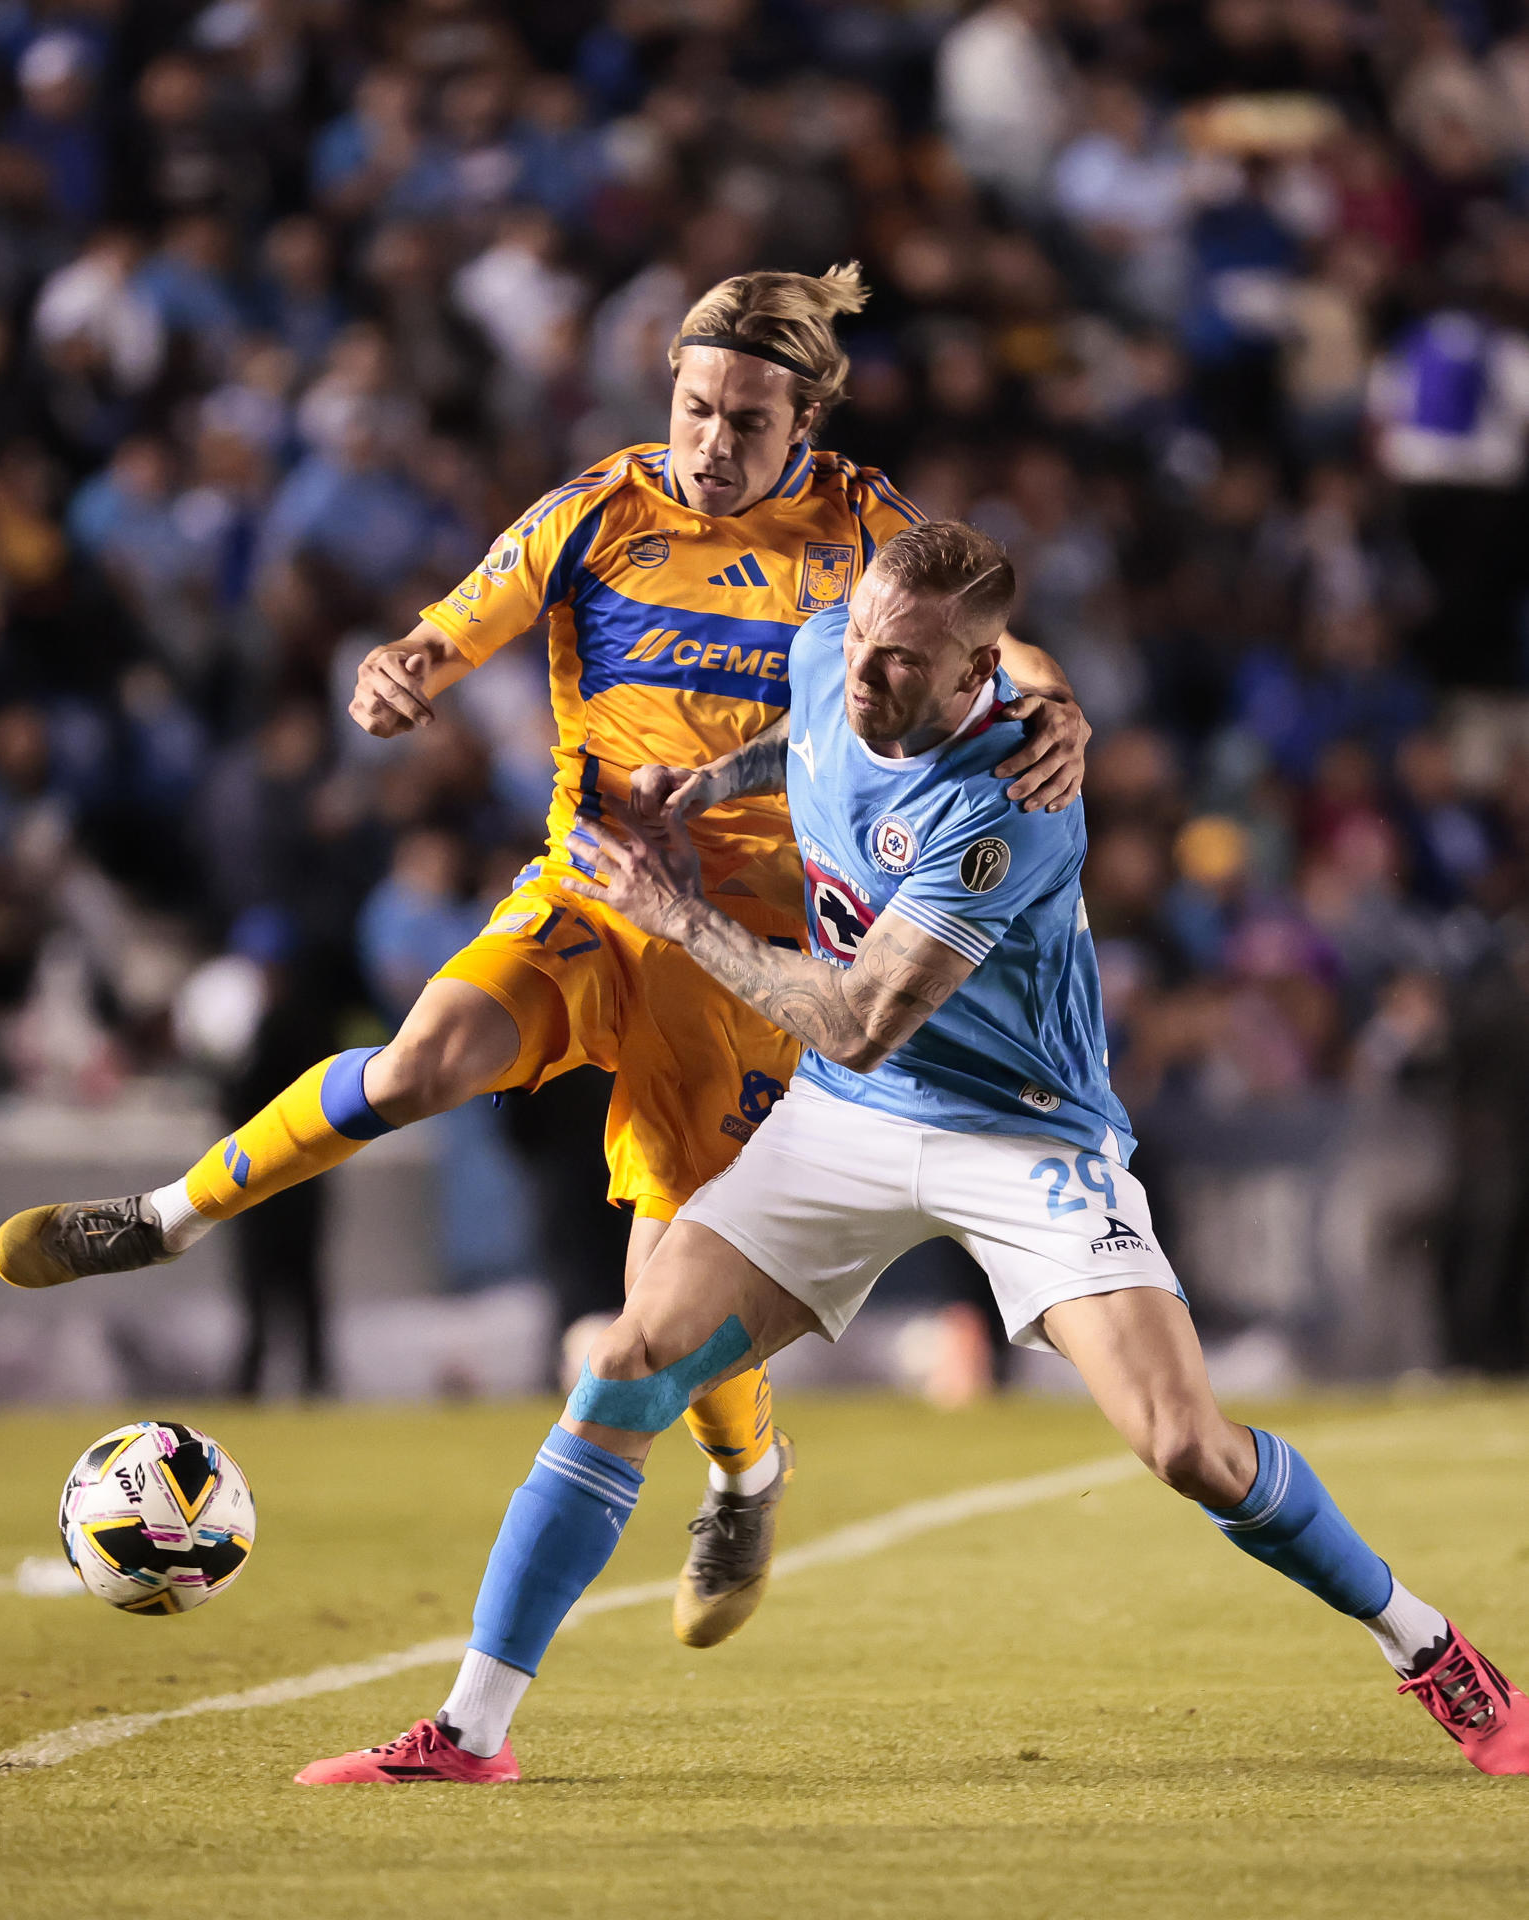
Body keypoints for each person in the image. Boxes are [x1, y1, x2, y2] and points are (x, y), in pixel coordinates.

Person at [294, 521, 1528, 1786]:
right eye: (864, 646)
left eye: (903, 666)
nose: (865, 677)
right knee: (627, 1361)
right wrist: (706, 788)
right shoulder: (837, 650)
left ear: (975, 672)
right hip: (847, 1123)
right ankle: (467, 1734)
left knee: (1183, 1446)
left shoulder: (1008, 805)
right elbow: (809, 735)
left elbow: (860, 1020)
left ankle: (1430, 1648)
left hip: (1021, 1131)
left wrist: (674, 911)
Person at [0, 267, 1090, 1649]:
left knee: (670, 1292)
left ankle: (748, 1471)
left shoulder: (866, 524)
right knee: (422, 1061)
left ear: (805, 416)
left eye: (748, 419)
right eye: (695, 407)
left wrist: (1059, 709)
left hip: (751, 949)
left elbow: (994, 638)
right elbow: (447, 629)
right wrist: (397, 672)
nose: (712, 441)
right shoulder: (597, 510)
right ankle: (159, 1219)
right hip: (591, 895)